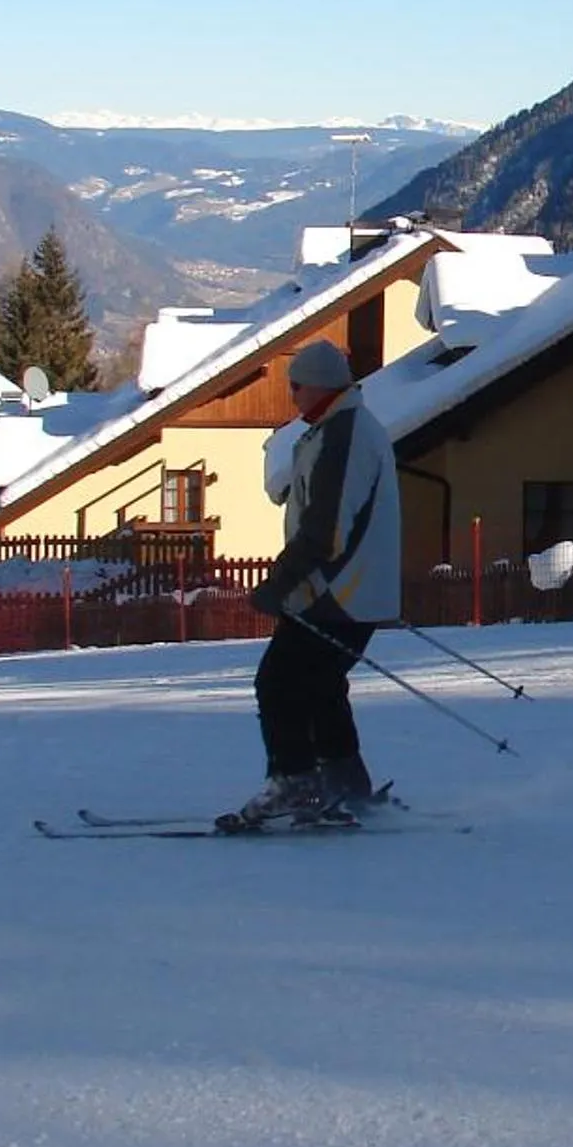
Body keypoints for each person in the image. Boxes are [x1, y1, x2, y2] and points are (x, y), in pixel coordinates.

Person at [227, 338, 400, 829]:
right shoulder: (339, 427)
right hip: (350, 590)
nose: (292, 396)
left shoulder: (343, 434)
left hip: (337, 591)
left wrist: (281, 583)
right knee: (320, 686)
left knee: (278, 682)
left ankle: (296, 780)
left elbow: (326, 528)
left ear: (317, 386)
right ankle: (345, 785)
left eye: (295, 387)